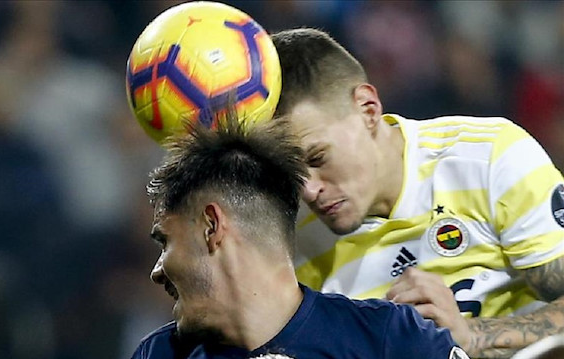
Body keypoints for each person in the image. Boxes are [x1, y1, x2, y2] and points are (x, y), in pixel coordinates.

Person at [270, 28, 564, 358]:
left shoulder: (490, 158)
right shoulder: (289, 240)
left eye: (318, 158)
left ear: (368, 110)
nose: (309, 190)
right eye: (290, 172)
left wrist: (470, 336)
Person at [132, 109, 469, 358]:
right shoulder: (160, 354)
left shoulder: (391, 339)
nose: (157, 270)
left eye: (166, 241)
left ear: (212, 227)